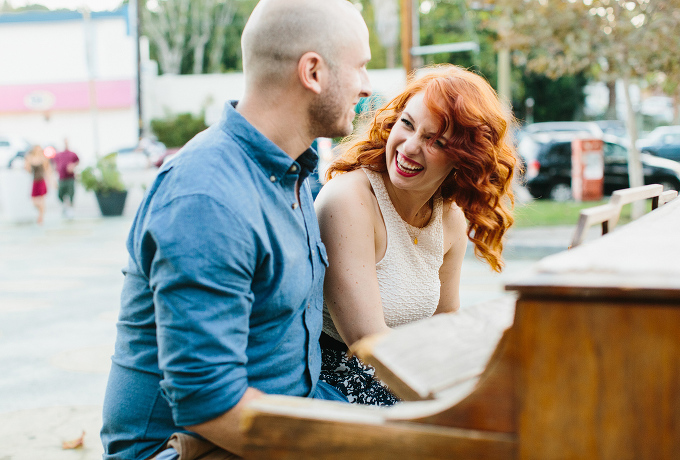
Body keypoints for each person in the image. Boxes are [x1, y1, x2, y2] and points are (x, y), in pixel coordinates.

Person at [101, 0, 372, 458]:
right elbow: (209, 403)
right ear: (313, 72)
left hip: (282, 416)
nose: (366, 85)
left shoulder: (293, 172)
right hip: (185, 447)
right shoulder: (206, 198)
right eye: (360, 67)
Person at [315, 65, 519, 406]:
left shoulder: (449, 218)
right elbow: (367, 343)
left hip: (406, 371)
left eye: (436, 141)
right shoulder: (349, 201)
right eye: (407, 124)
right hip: (340, 384)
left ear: (463, 159)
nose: (409, 147)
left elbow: (445, 324)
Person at [53, 138, 80, 218]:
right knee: (60, 194)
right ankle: (65, 206)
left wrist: (73, 166)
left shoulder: (72, 154)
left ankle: (71, 209)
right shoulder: (58, 155)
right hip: (61, 178)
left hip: (70, 178)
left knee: (71, 193)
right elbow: (55, 165)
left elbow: (77, 161)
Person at [25, 145, 51, 225]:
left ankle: (41, 217)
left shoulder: (43, 159)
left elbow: (47, 170)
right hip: (34, 181)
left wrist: (49, 182)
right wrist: (27, 162)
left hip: (41, 181)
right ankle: (40, 214)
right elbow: (28, 170)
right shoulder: (31, 158)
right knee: (34, 201)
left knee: (42, 200)